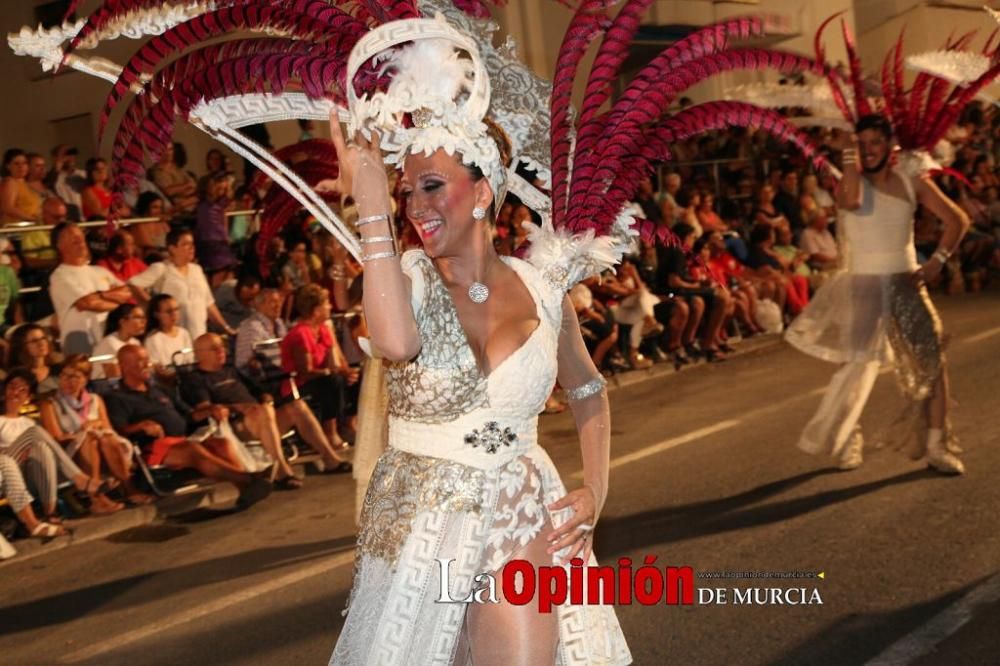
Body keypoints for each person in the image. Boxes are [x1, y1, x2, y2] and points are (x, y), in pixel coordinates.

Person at [326, 24, 629, 664]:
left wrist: (596, 491)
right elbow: (394, 342)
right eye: (408, 190)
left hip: (522, 509)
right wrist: (372, 206)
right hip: (421, 528)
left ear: (484, 190)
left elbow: (587, 388)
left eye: (431, 186)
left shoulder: (543, 286)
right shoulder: (403, 276)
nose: (416, 204)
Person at [786, 114, 970, 473]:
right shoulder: (847, 182)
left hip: (905, 284)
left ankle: (937, 446)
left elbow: (957, 220)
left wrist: (938, 261)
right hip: (865, 287)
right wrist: (850, 158)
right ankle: (847, 439)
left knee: (932, 362)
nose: (868, 150)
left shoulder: (911, 181)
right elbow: (853, 201)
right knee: (854, 365)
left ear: (889, 145)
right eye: (862, 143)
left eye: (875, 142)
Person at [106, 345, 271, 508]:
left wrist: (210, 410)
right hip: (153, 450)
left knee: (221, 444)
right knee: (192, 449)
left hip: (182, 440)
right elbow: (118, 430)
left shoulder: (158, 390)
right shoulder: (117, 398)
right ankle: (249, 479)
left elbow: (188, 415)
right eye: (139, 361)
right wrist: (139, 426)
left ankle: (246, 490)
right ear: (124, 366)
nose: (146, 364)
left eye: (146, 360)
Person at [181, 333, 352, 489]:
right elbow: (205, 410)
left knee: (296, 406)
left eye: (222, 346)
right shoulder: (195, 378)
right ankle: (282, 472)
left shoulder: (231, 371)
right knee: (264, 412)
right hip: (235, 425)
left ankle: (330, 459)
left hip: (261, 416)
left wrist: (267, 398)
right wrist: (236, 408)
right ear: (200, 354)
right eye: (214, 348)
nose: (221, 350)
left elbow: (260, 392)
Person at [0, 369, 123, 517]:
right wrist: (21, 448)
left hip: (32, 473)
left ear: (28, 396)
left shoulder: (28, 422)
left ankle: (50, 512)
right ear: (4, 390)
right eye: (12, 386)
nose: (16, 392)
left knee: (43, 447)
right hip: (8, 471)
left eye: (23, 389)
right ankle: (82, 481)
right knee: (35, 432)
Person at [40, 355, 154, 505]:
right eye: (64, 375)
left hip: (103, 448)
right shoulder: (50, 404)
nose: (68, 381)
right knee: (90, 439)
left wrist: (95, 424)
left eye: (74, 376)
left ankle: (129, 488)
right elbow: (57, 439)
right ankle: (96, 497)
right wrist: (81, 432)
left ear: (85, 380)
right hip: (70, 455)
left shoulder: (95, 400)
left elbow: (108, 429)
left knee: (105, 438)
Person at [279, 284, 356, 450]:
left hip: (319, 378)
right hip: (298, 384)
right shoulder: (301, 333)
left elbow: (332, 362)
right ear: (316, 310)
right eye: (326, 303)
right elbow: (305, 372)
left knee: (353, 377)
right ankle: (330, 432)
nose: (330, 306)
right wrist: (333, 372)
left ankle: (349, 424)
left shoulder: (323, 329)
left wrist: (346, 372)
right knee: (332, 382)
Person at [129, 228, 236, 339]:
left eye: (192, 244)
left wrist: (226, 328)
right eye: (185, 244)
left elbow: (209, 304)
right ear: (172, 248)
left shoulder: (197, 270)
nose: (191, 248)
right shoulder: (161, 269)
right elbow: (134, 284)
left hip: (199, 333)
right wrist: (153, 306)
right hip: (173, 335)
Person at [49, 222, 132, 355]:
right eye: (71, 236)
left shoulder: (100, 271)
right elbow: (87, 303)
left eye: (80, 235)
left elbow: (128, 292)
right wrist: (115, 300)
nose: (79, 239)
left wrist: (100, 295)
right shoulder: (59, 276)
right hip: (80, 341)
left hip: (109, 340)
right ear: (59, 245)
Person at [91, 303, 147, 379]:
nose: (144, 321)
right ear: (122, 322)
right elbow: (114, 377)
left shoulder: (135, 342)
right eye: (138, 317)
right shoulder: (109, 343)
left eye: (144, 317)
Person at [143, 294, 194, 377]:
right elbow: (155, 367)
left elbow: (189, 359)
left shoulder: (184, 333)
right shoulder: (153, 339)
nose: (174, 314)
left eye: (176, 309)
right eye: (169, 311)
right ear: (157, 315)